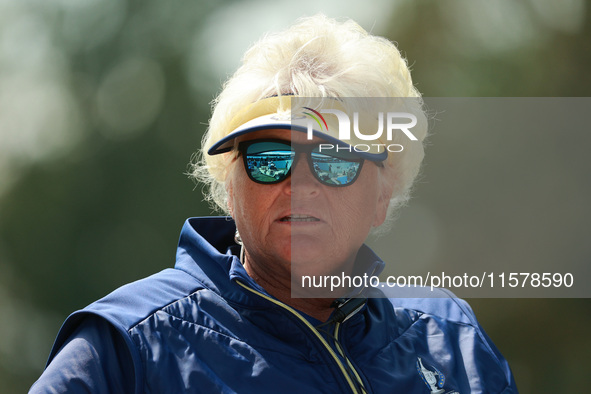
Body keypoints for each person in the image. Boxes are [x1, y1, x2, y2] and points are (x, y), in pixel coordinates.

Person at [30, 14, 517, 393]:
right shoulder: (129, 347)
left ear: (382, 195)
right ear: (229, 187)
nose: (300, 184)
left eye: (333, 160)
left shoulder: (454, 340)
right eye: (269, 159)